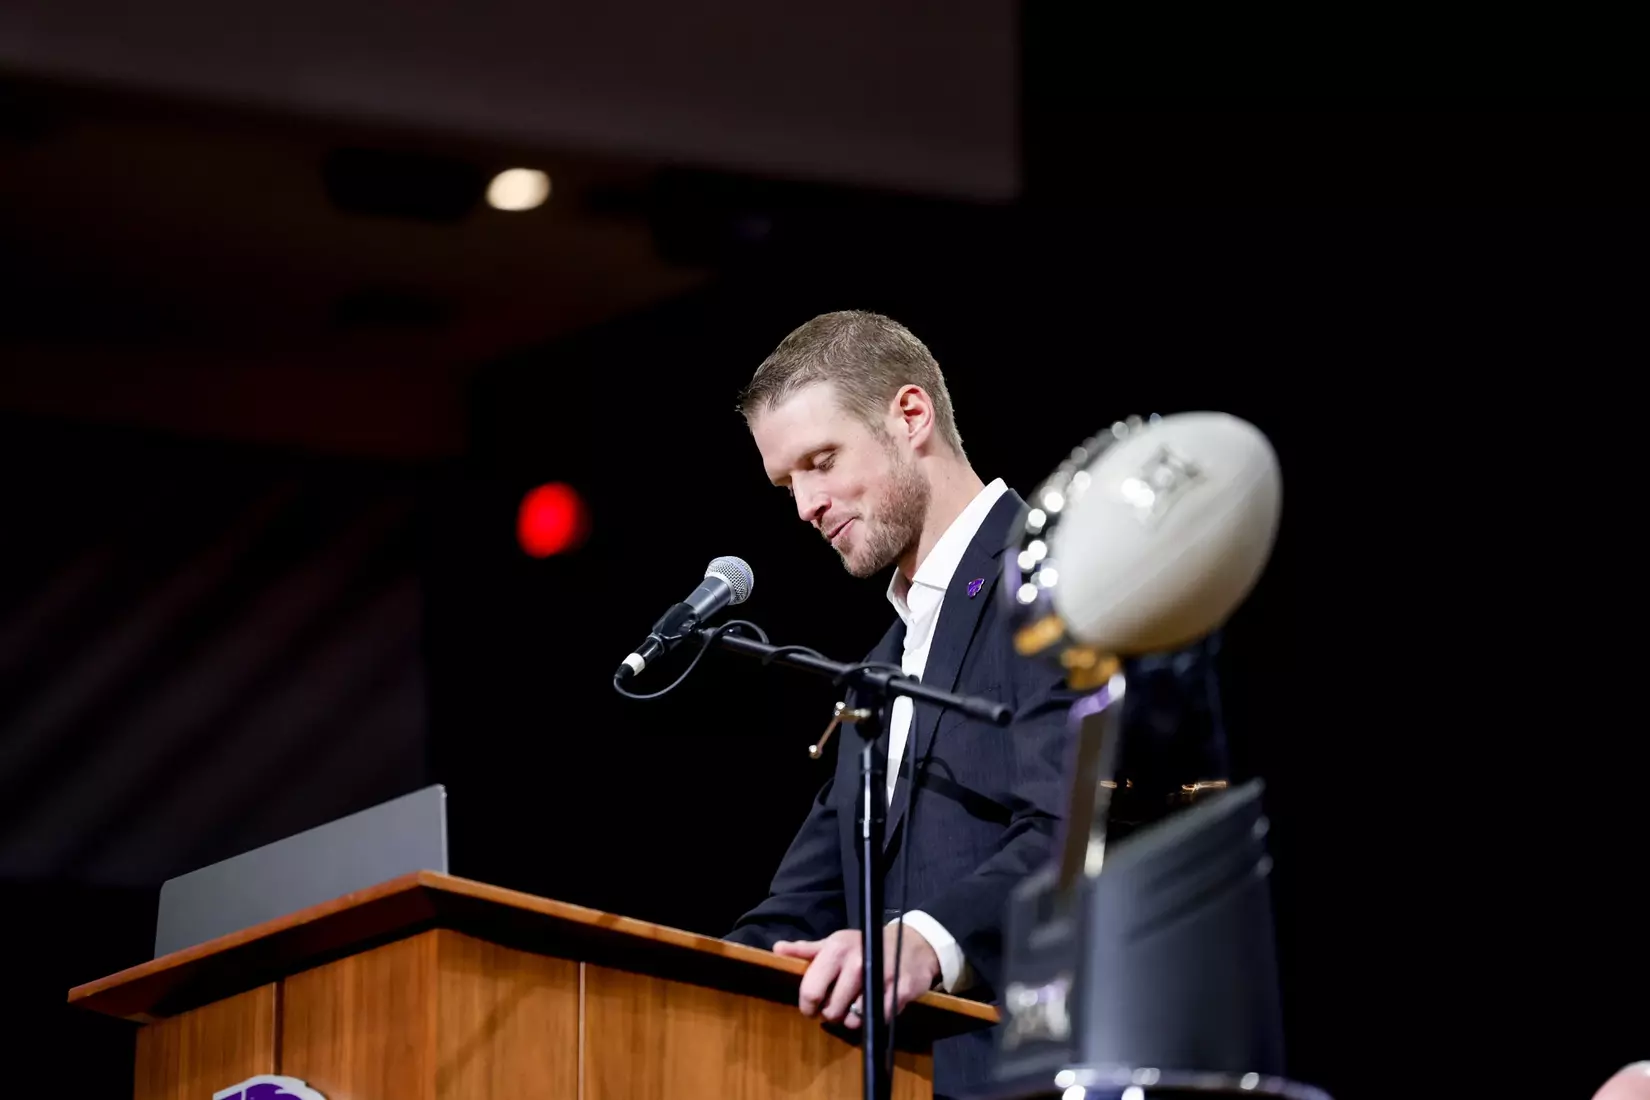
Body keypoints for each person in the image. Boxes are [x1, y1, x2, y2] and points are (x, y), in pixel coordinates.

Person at [724, 310, 1087, 1097]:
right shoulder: (883, 667)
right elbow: (804, 902)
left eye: (822, 461)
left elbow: (1077, 825)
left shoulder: (1053, 576)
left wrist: (926, 940)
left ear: (911, 415)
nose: (806, 507)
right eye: (789, 483)